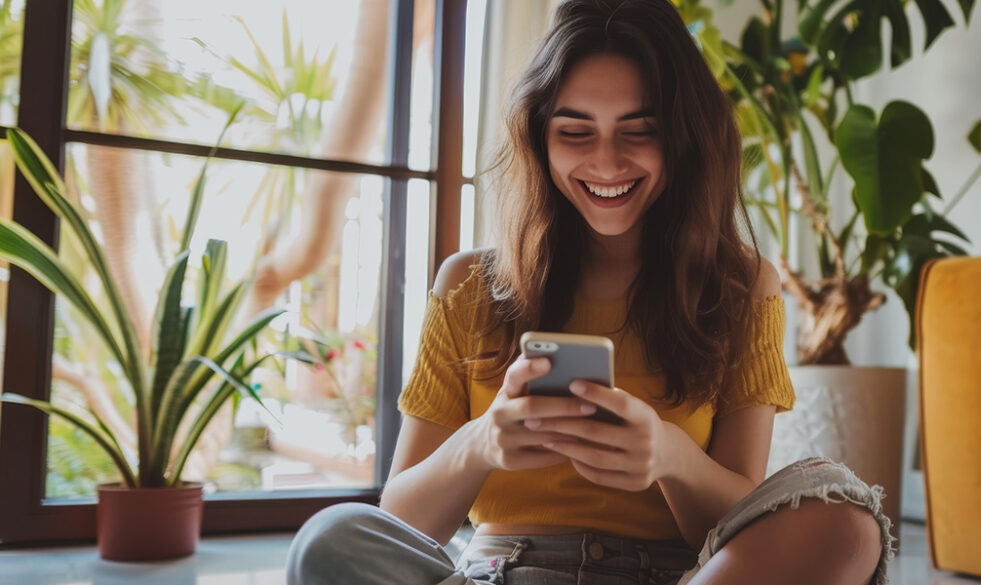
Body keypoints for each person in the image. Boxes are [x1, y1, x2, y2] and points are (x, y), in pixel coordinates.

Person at [286, 1, 894, 583]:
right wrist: (482, 440)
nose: (607, 162)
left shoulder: (739, 286)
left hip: (679, 573)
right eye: (575, 131)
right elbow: (403, 521)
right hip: (496, 572)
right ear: (539, 138)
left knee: (851, 523)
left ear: (684, 137)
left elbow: (735, 526)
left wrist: (669, 458)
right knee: (331, 539)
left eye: (639, 130)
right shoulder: (469, 285)